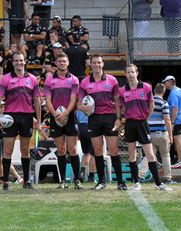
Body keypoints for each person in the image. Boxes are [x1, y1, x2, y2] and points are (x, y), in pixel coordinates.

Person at [119, 64, 172, 191]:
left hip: (142, 123)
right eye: (128, 72)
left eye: (133, 72)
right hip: (130, 124)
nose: (131, 74)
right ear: (125, 74)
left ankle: (158, 184)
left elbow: (151, 106)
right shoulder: (122, 90)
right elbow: (122, 108)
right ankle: (136, 183)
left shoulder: (147, 87)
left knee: (150, 154)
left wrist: (145, 118)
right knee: (132, 155)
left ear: (137, 73)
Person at [78, 54, 127, 190]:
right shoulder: (85, 82)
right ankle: (101, 182)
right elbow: (78, 103)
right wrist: (83, 107)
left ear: (102, 64)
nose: (97, 65)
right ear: (91, 65)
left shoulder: (112, 80)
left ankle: (120, 182)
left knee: (114, 150)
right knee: (98, 151)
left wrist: (118, 118)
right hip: (93, 119)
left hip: (109, 118)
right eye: (94, 63)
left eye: (99, 63)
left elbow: (117, 101)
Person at [0, 51, 41, 190]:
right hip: (10, 117)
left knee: (25, 150)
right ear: (13, 62)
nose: (19, 63)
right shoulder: (6, 79)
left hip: (27, 117)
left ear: (25, 61)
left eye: (21, 60)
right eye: (16, 60)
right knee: (7, 150)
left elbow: (37, 101)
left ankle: (26, 181)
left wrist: (38, 120)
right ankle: (6, 182)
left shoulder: (32, 79)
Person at [44, 52, 82, 189]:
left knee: (72, 149)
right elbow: (47, 100)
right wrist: (55, 115)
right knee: (61, 150)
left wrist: (66, 113)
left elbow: (74, 99)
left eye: (64, 61)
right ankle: (62, 181)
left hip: (70, 116)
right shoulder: (49, 80)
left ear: (68, 63)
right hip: (55, 117)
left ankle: (77, 180)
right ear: (55, 63)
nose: (62, 63)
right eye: (59, 61)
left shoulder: (73, 79)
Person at [138, 83, 174, 183]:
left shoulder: (148, 102)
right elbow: (167, 119)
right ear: (164, 91)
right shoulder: (164, 103)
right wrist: (170, 135)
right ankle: (167, 178)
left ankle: (140, 175)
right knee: (165, 156)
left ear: (154, 90)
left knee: (149, 155)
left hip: (149, 133)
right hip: (161, 133)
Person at [163, 75, 181, 169]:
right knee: (178, 140)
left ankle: (180, 161)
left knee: (177, 140)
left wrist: (172, 122)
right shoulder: (180, 90)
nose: (164, 84)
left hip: (177, 121)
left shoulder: (173, 93)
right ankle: (178, 160)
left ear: (170, 82)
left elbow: (175, 109)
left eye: (165, 82)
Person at [76, 109, 96, 183]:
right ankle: (91, 177)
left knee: (86, 153)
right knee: (93, 154)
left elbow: (76, 116)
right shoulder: (93, 99)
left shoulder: (80, 101)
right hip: (91, 125)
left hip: (81, 126)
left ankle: (82, 173)